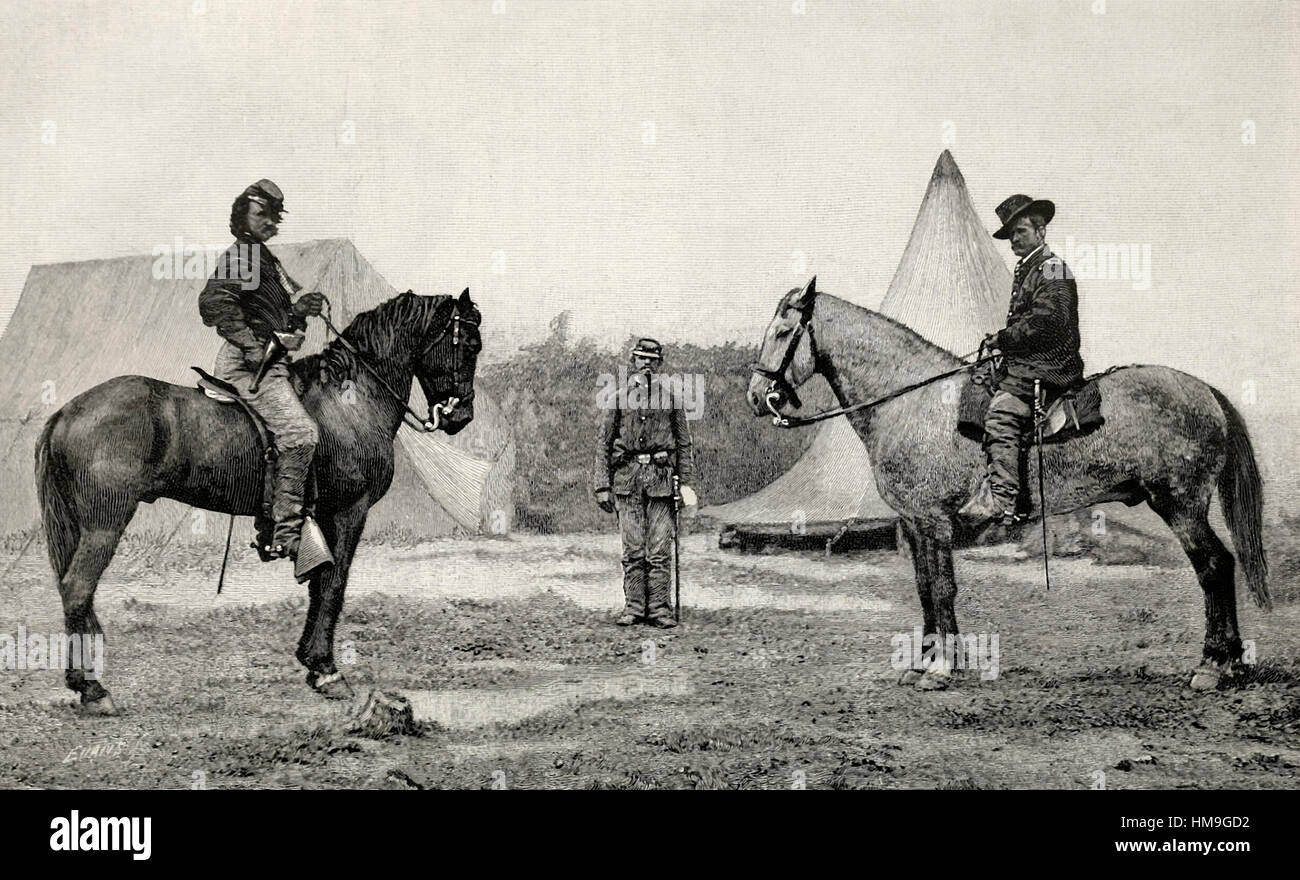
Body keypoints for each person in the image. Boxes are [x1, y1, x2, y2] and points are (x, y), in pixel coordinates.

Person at [198, 179, 325, 559]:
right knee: (301, 434)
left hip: (272, 359)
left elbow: (274, 318)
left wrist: (299, 311)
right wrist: (252, 347)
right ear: (243, 216)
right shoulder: (243, 257)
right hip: (250, 364)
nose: (270, 222)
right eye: (261, 214)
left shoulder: (264, 259)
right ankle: (286, 535)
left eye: (275, 217)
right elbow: (214, 304)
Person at [959, 194, 1085, 527]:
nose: (1015, 239)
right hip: (1030, 361)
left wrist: (1004, 338)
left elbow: (1048, 321)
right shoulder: (1028, 267)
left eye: (1022, 231)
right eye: (1011, 233)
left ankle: (1002, 499)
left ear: (1041, 230)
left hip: (1050, 363)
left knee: (1001, 413)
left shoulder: (1052, 266)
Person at [595, 338, 698, 627]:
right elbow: (603, 445)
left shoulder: (672, 400)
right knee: (632, 549)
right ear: (633, 362)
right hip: (626, 482)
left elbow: (684, 444)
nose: (647, 364)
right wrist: (602, 485)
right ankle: (634, 607)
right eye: (642, 358)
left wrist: (686, 487)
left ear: (660, 363)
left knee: (659, 549)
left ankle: (660, 610)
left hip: (662, 482)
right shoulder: (616, 399)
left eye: (652, 359)